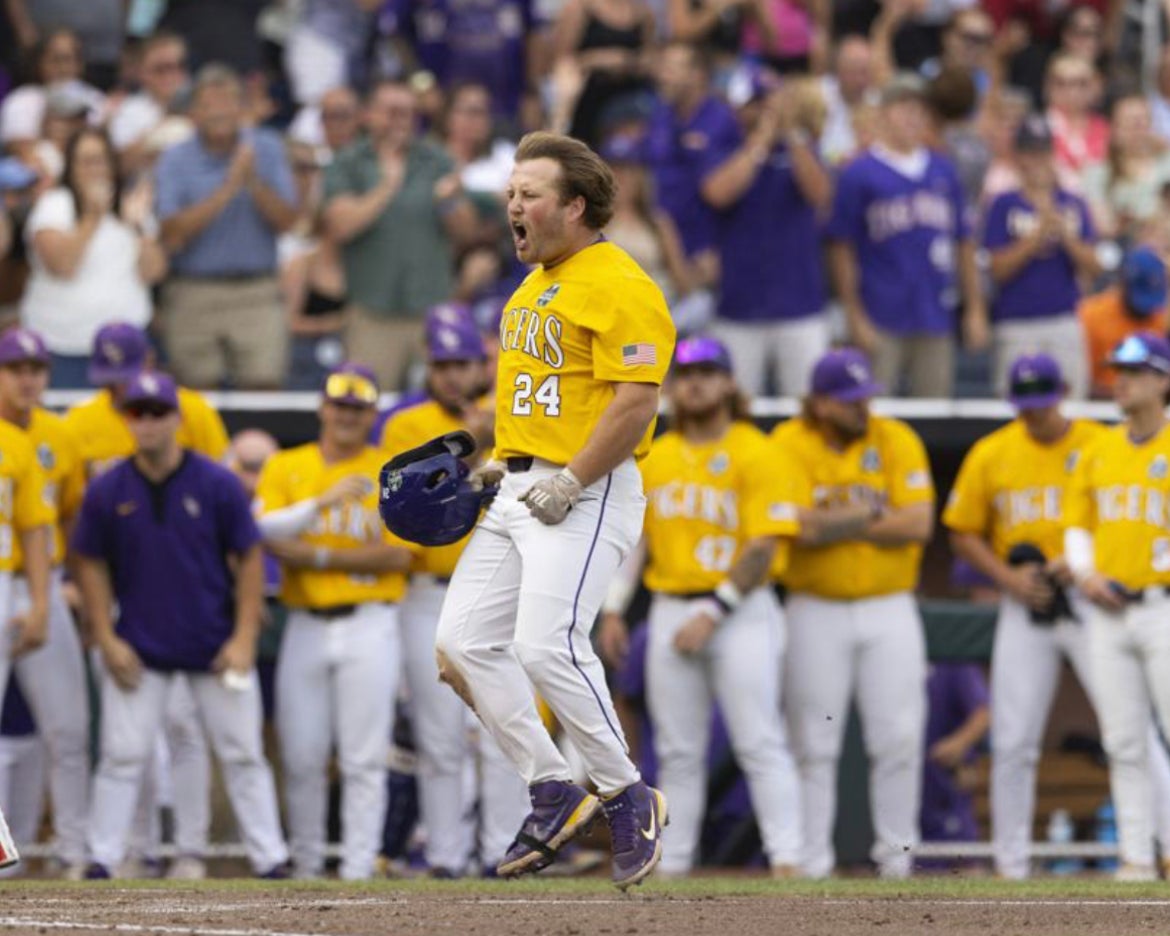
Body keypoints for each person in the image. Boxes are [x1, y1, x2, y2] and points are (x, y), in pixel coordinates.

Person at [433, 131, 676, 889]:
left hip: (589, 489)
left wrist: (570, 478)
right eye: (511, 192)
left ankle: (627, 793)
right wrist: (494, 466)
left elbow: (636, 402)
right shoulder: (533, 284)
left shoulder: (621, 281)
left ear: (575, 205)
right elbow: (542, 402)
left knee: (545, 644)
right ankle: (551, 787)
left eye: (529, 193)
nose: (513, 204)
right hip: (521, 484)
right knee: (461, 644)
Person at [943, 351, 1170, 877]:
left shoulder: (1094, 440)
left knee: (1138, 733)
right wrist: (1009, 580)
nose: (1034, 416)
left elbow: (1087, 529)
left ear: (1063, 391)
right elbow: (961, 531)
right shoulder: (992, 451)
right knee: (1016, 738)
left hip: (1093, 599)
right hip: (1028, 600)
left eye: (1042, 403)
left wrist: (1078, 568)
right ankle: (1011, 863)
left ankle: (1159, 843)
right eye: (1025, 405)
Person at [598, 335, 802, 877]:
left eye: (708, 372)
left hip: (740, 611)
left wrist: (714, 610)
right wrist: (616, 607)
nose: (694, 382)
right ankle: (673, 861)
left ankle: (788, 858)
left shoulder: (758, 450)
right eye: (684, 374)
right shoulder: (655, 455)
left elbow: (765, 545)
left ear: (730, 382)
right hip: (669, 606)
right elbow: (634, 542)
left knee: (759, 739)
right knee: (677, 750)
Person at [73, 371, 289, 879]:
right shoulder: (108, 488)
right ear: (127, 419)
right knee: (121, 756)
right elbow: (88, 561)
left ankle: (270, 858)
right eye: (137, 413)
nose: (146, 423)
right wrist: (105, 636)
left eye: (156, 412)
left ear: (177, 418)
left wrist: (243, 638)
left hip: (214, 644)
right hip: (141, 645)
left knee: (243, 754)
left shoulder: (217, 484)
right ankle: (103, 856)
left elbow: (250, 557)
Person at [772, 347, 933, 879]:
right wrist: (870, 512)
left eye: (865, 397)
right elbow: (800, 527)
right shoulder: (789, 442)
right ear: (819, 403)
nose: (862, 408)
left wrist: (835, 520)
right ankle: (812, 863)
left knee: (899, 737)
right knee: (813, 743)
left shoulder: (896, 438)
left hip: (890, 606)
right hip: (814, 606)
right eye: (848, 401)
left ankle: (898, 861)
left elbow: (917, 524)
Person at [381, 310, 529, 877]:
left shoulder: (516, 415)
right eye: (441, 364)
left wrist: (492, 424)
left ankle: (501, 852)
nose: (450, 374)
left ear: (482, 363)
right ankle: (444, 856)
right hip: (428, 588)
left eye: (462, 363)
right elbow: (415, 501)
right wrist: (481, 432)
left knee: (500, 728)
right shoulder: (405, 423)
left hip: (499, 585)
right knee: (439, 735)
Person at [255, 363, 414, 880]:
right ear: (323, 408)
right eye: (339, 406)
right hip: (304, 620)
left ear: (372, 414)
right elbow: (268, 538)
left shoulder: (391, 470)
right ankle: (302, 865)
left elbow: (398, 557)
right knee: (302, 756)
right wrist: (341, 553)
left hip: (372, 622)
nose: (347, 417)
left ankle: (357, 867)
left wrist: (316, 555)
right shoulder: (286, 465)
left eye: (358, 409)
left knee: (363, 758)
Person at [1063, 331, 1170, 880]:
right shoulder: (1100, 446)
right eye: (1118, 370)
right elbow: (1077, 525)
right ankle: (1137, 857)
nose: (1120, 379)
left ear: (1162, 380)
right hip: (1107, 609)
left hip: (1163, 605)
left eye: (1132, 370)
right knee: (1123, 740)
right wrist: (1084, 573)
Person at [827, 73, 987, 398]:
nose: (912, 116)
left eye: (919, 109)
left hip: (934, 313)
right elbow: (841, 247)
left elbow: (964, 242)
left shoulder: (943, 169)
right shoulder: (858, 172)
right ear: (883, 113)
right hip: (880, 314)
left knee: (935, 413)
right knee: (874, 410)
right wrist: (854, 315)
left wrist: (974, 308)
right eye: (903, 107)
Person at [0, 328, 89, 878]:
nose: (28, 378)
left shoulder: (40, 440)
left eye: (36, 368)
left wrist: (41, 597)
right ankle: (6, 859)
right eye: (16, 368)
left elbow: (46, 525)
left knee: (69, 726)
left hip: (33, 580)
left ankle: (77, 852)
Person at [323, 79, 476, 391]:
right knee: (367, 402)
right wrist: (387, 186)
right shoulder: (347, 162)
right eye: (391, 112)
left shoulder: (437, 160)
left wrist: (452, 202)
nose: (400, 120)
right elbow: (340, 226)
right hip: (371, 313)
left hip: (430, 310)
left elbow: (467, 233)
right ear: (368, 115)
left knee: (437, 408)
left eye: (407, 113)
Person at [154, 63, 298, 390]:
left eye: (227, 101)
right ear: (193, 112)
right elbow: (172, 234)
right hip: (193, 290)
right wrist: (229, 187)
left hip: (256, 292)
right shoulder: (175, 158)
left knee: (264, 391)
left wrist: (253, 182)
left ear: (241, 107)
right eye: (209, 103)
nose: (219, 111)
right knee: (195, 398)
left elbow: (288, 221)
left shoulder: (267, 147)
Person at [701, 65, 832, 396]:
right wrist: (759, 141)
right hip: (739, 306)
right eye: (755, 103)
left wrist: (789, 134)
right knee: (737, 409)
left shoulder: (802, 146)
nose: (763, 110)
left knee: (808, 406)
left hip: (800, 306)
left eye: (769, 102)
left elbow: (820, 195)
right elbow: (718, 193)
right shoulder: (721, 145)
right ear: (738, 108)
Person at [21, 127, 167, 388]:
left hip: (125, 347)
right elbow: (62, 265)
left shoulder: (131, 206)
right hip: (63, 346)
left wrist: (139, 228)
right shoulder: (54, 204)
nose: (95, 169)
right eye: (86, 161)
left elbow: (153, 273)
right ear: (71, 167)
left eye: (101, 159)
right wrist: (92, 216)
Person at [982, 114, 1098, 399]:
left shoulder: (1073, 202)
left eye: (1042, 151)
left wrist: (1064, 234)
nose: (1036, 160)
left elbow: (1093, 266)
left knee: (1072, 406)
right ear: (1018, 156)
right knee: (1013, 408)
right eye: (1029, 152)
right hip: (1016, 320)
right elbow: (997, 269)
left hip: (1063, 318)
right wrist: (1036, 236)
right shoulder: (1003, 203)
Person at [63, 322, 229, 480]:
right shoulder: (79, 419)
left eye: (125, 379)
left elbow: (223, 478)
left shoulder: (193, 408)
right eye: (109, 381)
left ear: (149, 361)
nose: (118, 388)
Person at [1080, 247, 1170, 398]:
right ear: (1124, 284)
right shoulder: (1091, 315)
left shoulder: (1163, 316)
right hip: (1100, 405)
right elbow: (1083, 380)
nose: (1147, 309)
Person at [1082, 95, 1170, 242]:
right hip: (1128, 249)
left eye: (1144, 120)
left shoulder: (1167, 161)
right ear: (1113, 129)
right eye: (1130, 122)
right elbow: (1104, 227)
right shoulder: (1098, 172)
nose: (1138, 129)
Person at [108, 32, 191, 178]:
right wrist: (165, 123)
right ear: (143, 73)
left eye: (178, 66)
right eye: (162, 69)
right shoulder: (128, 111)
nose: (171, 75)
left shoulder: (201, 103)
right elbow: (121, 165)